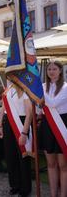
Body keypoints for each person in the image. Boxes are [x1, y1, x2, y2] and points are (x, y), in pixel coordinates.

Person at [0, 83, 32, 197]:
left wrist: (24, 132)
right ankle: (15, 185)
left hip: (21, 123)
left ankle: (25, 188)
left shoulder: (25, 89)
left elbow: (29, 114)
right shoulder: (8, 90)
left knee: (23, 157)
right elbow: (3, 108)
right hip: (8, 123)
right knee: (10, 156)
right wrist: (0, 126)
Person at [39, 61, 67, 197]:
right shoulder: (43, 86)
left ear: (60, 71)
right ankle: (53, 193)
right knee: (51, 163)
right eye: (49, 69)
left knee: (63, 165)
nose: (51, 71)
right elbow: (40, 107)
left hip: (62, 125)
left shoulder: (65, 87)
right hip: (47, 125)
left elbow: (53, 103)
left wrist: (40, 93)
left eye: (54, 69)